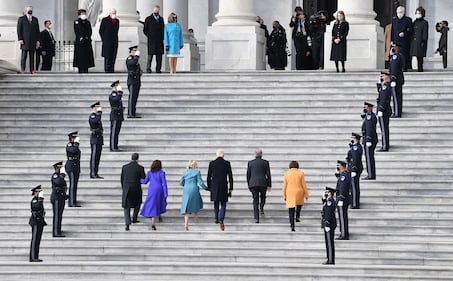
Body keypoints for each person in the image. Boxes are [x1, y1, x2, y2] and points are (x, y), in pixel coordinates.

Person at [207, 149, 233, 231]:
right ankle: (221, 218)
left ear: (216, 154)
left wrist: (209, 186)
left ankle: (216, 218)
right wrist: (231, 187)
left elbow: (208, 177)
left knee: (216, 202)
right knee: (223, 203)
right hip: (224, 185)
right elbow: (230, 177)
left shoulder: (212, 163)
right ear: (223, 155)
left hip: (214, 185)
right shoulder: (227, 163)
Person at [180, 160, 208, 231]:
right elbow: (201, 183)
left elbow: (181, 183)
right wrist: (206, 188)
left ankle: (186, 223)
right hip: (194, 188)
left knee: (186, 205)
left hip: (186, 189)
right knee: (196, 202)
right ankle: (196, 218)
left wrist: (185, 185)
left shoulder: (185, 172)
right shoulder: (197, 172)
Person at [140, 160, 168, 231]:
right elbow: (164, 183)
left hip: (152, 189)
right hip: (159, 189)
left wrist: (139, 179)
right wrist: (165, 193)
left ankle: (153, 222)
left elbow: (145, 181)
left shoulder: (149, 173)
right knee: (159, 202)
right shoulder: (162, 173)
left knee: (152, 204)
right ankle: (159, 215)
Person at [282, 160, 309, 232]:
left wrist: (284, 195)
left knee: (291, 210)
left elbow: (284, 186)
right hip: (299, 191)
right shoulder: (301, 173)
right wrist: (306, 194)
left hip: (290, 192)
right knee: (299, 205)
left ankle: (292, 226)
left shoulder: (287, 174)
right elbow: (304, 184)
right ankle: (297, 216)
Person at [121, 153, 145, 231]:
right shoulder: (140, 168)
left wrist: (124, 187)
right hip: (136, 188)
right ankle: (134, 218)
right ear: (138, 158)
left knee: (126, 206)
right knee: (137, 203)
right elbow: (143, 178)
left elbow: (122, 178)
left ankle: (127, 223)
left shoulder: (125, 167)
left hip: (127, 188)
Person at [247, 149, 272, 223]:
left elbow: (248, 174)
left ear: (255, 154)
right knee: (263, 197)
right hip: (263, 183)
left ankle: (256, 218)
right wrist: (269, 185)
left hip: (253, 183)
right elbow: (268, 175)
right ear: (261, 155)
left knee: (255, 200)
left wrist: (249, 184)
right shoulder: (265, 163)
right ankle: (261, 207)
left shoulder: (250, 163)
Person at [17, 5, 40, 74]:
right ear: (26, 10)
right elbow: (19, 29)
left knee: (32, 57)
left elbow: (37, 31)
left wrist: (38, 40)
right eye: (29, 10)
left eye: (31, 10)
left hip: (33, 41)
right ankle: (22, 70)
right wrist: (20, 39)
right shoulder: (21, 18)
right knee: (24, 56)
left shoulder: (35, 19)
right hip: (24, 40)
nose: (31, 11)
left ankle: (32, 70)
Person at [143, 5, 164, 73]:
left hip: (159, 41)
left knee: (159, 57)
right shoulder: (148, 19)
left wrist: (162, 37)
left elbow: (163, 29)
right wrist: (149, 35)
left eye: (157, 10)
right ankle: (148, 68)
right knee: (150, 56)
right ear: (153, 10)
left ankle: (158, 69)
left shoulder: (161, 19)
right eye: (155, 10)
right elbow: (145, 29)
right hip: (151, 40)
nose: (156, 11)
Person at [391, 6, 413, 71]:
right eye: (398, 12)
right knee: (396, 55)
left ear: (403, 12)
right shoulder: (394, 20)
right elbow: (392, 31)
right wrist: (391, 40)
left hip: (405, 42)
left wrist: (404, 33)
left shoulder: (408, 20)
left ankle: (404, 67)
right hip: (396, 41)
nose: (399, 14)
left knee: (404, 55)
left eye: (400, 12)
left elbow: (411, 30)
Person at [73, 9, 95, 73]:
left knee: (86, 57)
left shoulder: (88, 22)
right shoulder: (76, 22)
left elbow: (90, 31)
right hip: (80, 42)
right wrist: (81, 37)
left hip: (87, 41)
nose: (84, 15)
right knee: (80, 56)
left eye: (84, 14)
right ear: (79, 15)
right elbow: (76, 31)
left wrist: (87, 37)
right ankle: (80, 69)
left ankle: (86, 68)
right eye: (82, 14)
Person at [29, 185, 47, 262]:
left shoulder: (38, 200)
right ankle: (32, 257)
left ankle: (36, 256)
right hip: (35, 221)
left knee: (38, 240)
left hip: (39, 221)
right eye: (38, 192)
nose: (39, 194)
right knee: (35, 239)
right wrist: (40, 199)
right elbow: (37, 206)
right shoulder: (34, 200)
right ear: (35, 193)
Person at [99, 9, 120, 73]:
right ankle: (107, 68)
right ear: (110, 13)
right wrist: (104, 39)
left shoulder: (117, 21)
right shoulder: (105, 20)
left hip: (114, 40)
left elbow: (116, 30)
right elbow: (101, 30)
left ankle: (112, 68)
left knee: (113, 55)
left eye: (115, 13)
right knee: (107, 55)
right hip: (107, 41)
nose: (114, 14)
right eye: (113, 13)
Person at [50, 161, 67, 237]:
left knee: (59, 215)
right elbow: (58, 182)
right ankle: (56, 232)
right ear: (56, 168)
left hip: (60, 197)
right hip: (56, 197)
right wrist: (62, 176)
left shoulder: (59, 176)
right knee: (57, 215)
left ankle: (58, 230)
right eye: (60, 168)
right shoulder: (55, 176)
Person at [361, 102, 377, 180]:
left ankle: (371, 174)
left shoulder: (370, 117)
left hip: (369, 139)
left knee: (369, 157)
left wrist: (368, 139)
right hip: (367, 138)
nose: (365, 109)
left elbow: (370, 129)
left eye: (366, 107)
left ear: (370, 108)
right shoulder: (368, 116)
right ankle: (370, 174)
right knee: (368, 157)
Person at [377, 72, 392, 151]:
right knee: (384, 129)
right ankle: (385, 144)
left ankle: (385, 146)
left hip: (384, 110)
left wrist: (381, 109)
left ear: (386, 77)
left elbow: (383, 99)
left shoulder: (386, 87)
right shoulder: (384, 86)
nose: (381, 77)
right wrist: (379, 84)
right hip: (384, 110)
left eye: (383, 76)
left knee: (384, 129)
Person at [347, 133, 363, 209]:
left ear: (356, 139)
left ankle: (355, 203)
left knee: (354, 187)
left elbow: (355, 159)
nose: (351, 139)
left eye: (353, 138)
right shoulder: (354, 147)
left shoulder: (356, 147)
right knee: (353, 186)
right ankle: (353, 201)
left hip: (354, 169)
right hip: (352, 168)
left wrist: (354, 169)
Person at [335, 160, 350, 240]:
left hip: (343, 200)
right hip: (343, 199)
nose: (337, 167)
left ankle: (344, 234)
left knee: (342, 217)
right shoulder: (343, 175)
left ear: (342, 166)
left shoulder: (344, 176)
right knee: (342, 217)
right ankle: (343, 233)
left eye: (338, 165)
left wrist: (341, 198)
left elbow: (343, 188)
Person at [410, 7, 428, 72]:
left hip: (420, 41)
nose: (417, 14)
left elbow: (425, 33)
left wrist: (423, 40)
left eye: (419, 13)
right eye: (417, 13)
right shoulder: (414, 22)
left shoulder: (424, 22)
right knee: (411, 55)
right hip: (413, 41)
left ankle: (420, 68)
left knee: (420, 56)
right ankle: (410, 67)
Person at [126, 45, 142, 118]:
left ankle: (133, 111)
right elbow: (132, 63)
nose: (135, 52)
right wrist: (136, 57)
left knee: (135, 97)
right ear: (131, 52)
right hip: (132, 80)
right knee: (132, 97)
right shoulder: (130, 58)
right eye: (134, 51)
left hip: (136, 80)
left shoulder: (135, 59)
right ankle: (130, 113)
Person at [65, 131, 81, 207]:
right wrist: (76, 143)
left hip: (75, 165)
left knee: (75, 184)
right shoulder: (69, 145)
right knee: (73, 184)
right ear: (71, 138)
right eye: (74, 138)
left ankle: (73, 200)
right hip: (71, 165)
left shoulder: (75, 145)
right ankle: (71, 202)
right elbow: (74, 151)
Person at [321, 187, 336, 265]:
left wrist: (327, 223)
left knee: (329, 243)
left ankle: (330, 259)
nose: (326, 193)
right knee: (328, 242)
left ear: (331, 193)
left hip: (329, 224)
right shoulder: (328, 201)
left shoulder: (330, 202)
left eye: (327, 192)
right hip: (329, 224)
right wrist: (323, 200)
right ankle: (329, 258)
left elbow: (328, 213)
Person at [389, 42, 405, 118]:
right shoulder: (398, 56)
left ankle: (397, 112)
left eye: (394, 47)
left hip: (395, 79)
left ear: (398, 48)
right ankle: (398, 111)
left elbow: (394, 68)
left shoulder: (396, 56)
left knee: (396, 96)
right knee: (397, 96)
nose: (393, 48)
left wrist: (392, 78)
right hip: (398, 79)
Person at [89, 101, 103, 179]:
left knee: (97, 156)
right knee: (94, 157)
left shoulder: (96, 116)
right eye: (96, 108)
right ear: (94, 108)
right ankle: (93, 173)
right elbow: (95, 121)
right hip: (94, 139)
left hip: (99, 138)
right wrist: (99, 112)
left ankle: (96, 172)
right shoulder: (93, 116)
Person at [109, 80, 124, 151]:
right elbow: (117, 99)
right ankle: (113, 146)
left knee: (117, 132)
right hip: (115, 115)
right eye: (117, 86)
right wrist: (120, 92)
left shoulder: (117, 94)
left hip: (118, 115)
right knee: (114, 132)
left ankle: (115, 145)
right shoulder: (113, 95)